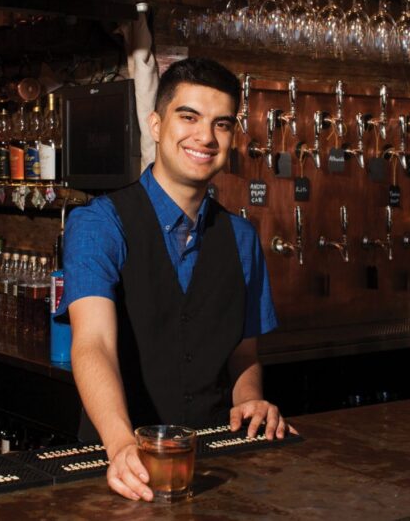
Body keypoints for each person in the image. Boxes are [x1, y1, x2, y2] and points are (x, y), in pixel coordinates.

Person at [58, 58, 293, 502]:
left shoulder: (241, 238)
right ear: (156, 124)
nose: (205, 136)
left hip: (212, 467)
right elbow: (94, 344)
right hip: (118, 466)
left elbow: (244, 354)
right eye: (189, 117)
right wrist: (121, 442)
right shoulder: (100, 224)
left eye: (221, 124)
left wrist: (250, 399)